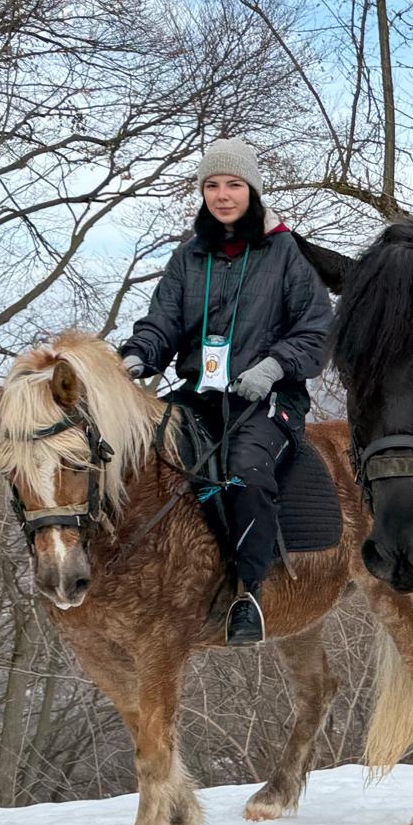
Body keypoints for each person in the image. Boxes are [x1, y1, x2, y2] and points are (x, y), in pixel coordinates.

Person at [120, 137, 333, 645]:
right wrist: (135, 356)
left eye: (233, 184)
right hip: (197, 394)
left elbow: (316, 329)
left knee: (245, 472)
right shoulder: (189, 256)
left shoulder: (288, 253)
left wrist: (274, 366)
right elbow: (162, 322)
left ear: (252, 190)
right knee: (138, 456)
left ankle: (247, 592)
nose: (222, 195)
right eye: (212, 185)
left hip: (267, 398)